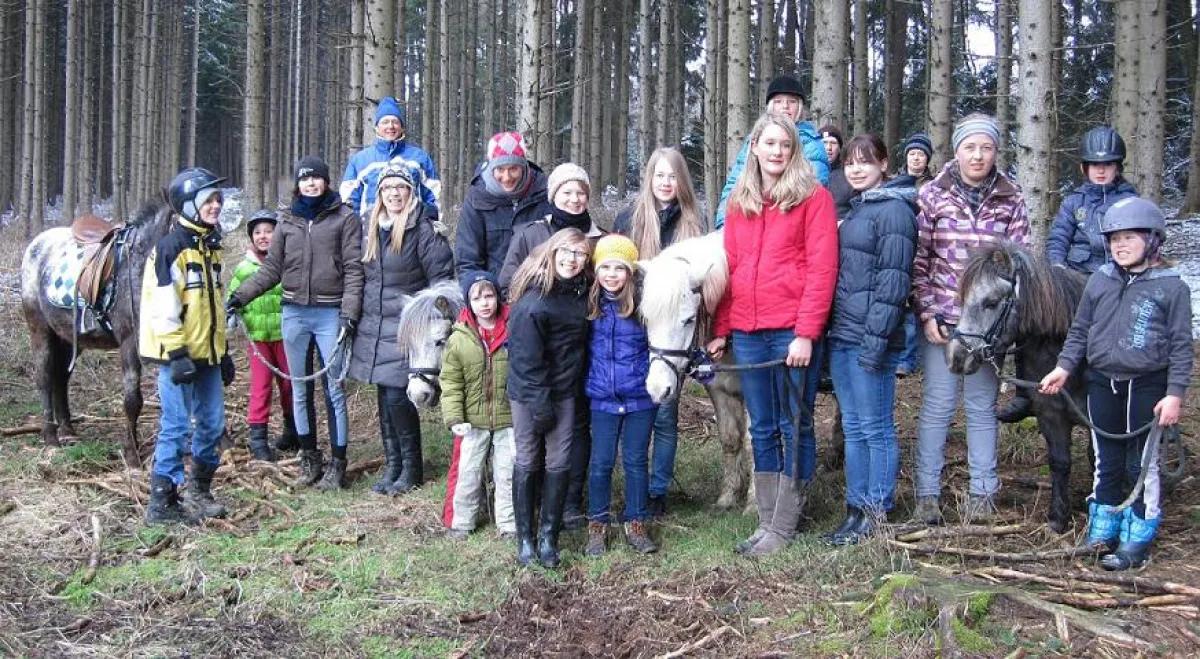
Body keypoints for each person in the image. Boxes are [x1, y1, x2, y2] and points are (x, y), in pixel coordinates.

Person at [707, 113, 838, 556]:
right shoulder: (738, 203)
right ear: (755, 148)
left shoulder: (813, 199)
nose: (778, 151)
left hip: (791, 332)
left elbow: (822, 271)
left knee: (793, 422)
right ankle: (765, 520)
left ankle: (784, 524)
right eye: (770, 143)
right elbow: (731, 269)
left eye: (785, 144)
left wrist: (805, 333)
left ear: (794, 150)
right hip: (747, 331)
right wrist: (722, 328)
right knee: (761, 425)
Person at [1039, 198, 1191, 571]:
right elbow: (1080, 330)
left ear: (1152, 240)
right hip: (1101, 382)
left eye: (1129, 237)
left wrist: (1174, 394)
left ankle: (1138, 532)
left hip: (1147, 386)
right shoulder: (1101, 280)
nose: (1119, 245)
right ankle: (1104, 523)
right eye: (1114, 239)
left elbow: (1181, 346)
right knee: (1105, 459)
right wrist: (1063, 368)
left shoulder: (1172, 288)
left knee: (1141, 464)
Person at [911, 114, 1030, 525]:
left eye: (986, 147)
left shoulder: (1010, 198)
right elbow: (919, 261)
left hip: (988, 328)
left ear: (996, 151)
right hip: (944, 323)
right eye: (970, 147)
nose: (978, 155)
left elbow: (1021, 263)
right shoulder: (932, 196)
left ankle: (983, 495)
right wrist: (926, 313)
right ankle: (926, 495)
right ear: (957, 151)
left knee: (981, 408)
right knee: (938, 406)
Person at [228, 156, 364, 491]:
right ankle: (309, 457)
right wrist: (240, 296)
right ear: (298, 184)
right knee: (300, 388)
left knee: (334, 388)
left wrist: (350, 312)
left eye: (316, 179)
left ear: (326, 181)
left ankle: (337, 463)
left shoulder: (344, 218)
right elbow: (271, 269)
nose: (311, 184)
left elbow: (354, 269)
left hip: (330, 313)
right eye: (305, 180)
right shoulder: (287, 222)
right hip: (294, 314)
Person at [1002, 127, 1139, 425]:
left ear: (1118, 167)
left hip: (1116, 280)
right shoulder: (1073, 202)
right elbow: (1058, 240)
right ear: (1084, 168)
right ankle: (1025, 393)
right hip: (1075, 277)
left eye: (1107, 165)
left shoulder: (1131, 201)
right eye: (1095, 165)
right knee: (1031, 320)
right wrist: (1057, 273)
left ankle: (1147, 403)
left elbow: (1138, 243)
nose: (1101, 171)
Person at [499, 162, 605, 530]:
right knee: (534, 437)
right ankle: (535, 508)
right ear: (553, 196)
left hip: (583, 352)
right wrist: (537, 309)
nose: (575, 199)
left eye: (581, 193)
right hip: (538, 347)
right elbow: (507, 283)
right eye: (566, 192)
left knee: (576, 429)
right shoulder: (532, 234)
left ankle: (571, 502)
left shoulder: (599, 238)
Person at [824, 135, 917, 545]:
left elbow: (893, 283)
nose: (856, 169)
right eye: (850, 163)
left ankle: (877, 512)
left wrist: (875, 343)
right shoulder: (859, 209)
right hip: (843, 336)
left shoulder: (894, 211)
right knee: (856, 429)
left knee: (876, 428)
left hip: (870, 339)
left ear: (884, 164)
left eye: (865, 162)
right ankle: (854, 509)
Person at [612, 147, 707, 518]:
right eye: (659, 176)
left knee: (665, 414)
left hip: (670, 338)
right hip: (634, 330)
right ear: (649, 179)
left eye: (672, 176)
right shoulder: (629, 220)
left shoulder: (692, 225)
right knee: (633, 412)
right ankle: (632, 484)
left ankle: (657, 490)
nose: (665, 184)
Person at [348, 163, 453, 495]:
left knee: (397, 395)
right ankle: (393, 465)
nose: (394, 194)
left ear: (411, 192)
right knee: (384, 396)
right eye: (388, 188)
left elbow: (442, 283)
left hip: (407, 329)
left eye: (401, 188)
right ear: (380, 193)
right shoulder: (369, 227)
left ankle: (411, 468)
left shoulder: (423, 231)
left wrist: (430, 321)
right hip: (373, 326)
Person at [140, 167, 235, 524]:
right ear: (188, 204)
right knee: (176, 427)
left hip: (207, 355)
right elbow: (162, 306)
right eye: (208, 200)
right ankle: (162, 503)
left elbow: (213, 309)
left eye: (217, 200)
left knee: (211, 425)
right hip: (177, 357)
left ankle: (199, 491)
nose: (216, 206)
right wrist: (177, 354)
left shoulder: (210, 248)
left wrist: (222, 352)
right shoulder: (170, 249)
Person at [507, 228, 593, 568]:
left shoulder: (582, 293)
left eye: (579, 254)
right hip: (531, 393)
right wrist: (539, 404)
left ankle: (548, 536)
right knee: (528, 459)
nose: (572, 261)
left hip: (566, 391)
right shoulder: (533, 301)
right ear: (552, 253)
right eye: (566, 253)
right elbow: (525, 360)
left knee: (559, 462)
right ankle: (525, 538)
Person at [584, 235, 659, 556]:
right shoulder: (590, 306)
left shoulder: (644, 307)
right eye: (605, 268)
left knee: (635, 461)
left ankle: (636, 521)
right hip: (601, 398)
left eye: (619, 268)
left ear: (630, 272)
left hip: (639, 398)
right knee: (600, 463)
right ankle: (598, 524)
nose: (612, 274)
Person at [441, 270, 516, 539]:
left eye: (489, 295)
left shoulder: (513, 330)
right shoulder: (459, 338)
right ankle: (462, 522)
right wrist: (454, 417)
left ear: (497, 297)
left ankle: (508, 523)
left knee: (507, 473)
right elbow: (450, 382)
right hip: (471, 422)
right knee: (467, 473)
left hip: (508, 419)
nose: (484, 302)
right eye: (477, 298)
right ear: (468, 303)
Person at [714, 74, 831, 228]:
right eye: (778, 101)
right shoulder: (754, 140)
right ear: (770, 107)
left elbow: (811, 186)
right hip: (750, 220)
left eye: (792, 102)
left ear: (800, 107)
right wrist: (724, 224)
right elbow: (735, 183)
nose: (785, 106)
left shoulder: (812, 144)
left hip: (790, 223)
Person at [227, 209, 297, 463]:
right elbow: (235, 295)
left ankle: (293, 430)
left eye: (269, 231)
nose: (263, 237)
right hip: (259, 339)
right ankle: (258, 438)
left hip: (286, 336)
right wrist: (232, 311)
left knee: (290, 385)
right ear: (251, 238)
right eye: (258, 232)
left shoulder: (287, 263)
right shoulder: (245, 268)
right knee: (261, 386)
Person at [455, 132, 554, 277]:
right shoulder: (477, 197)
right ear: (491, 167)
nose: (507, 177)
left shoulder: (544, 193)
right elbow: (467, 260)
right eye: (500, 169)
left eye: (513, 169)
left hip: (536, 285)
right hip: (492, 289)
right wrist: (479, 285)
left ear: (524, 166)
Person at [340, 96, 441, 218]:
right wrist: (355, 230)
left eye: (395, 122)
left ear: (402, 127)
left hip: (412, 230)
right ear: (376, 128)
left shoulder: (420, 158)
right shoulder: (360, 160)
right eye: (385, 122)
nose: (391, 126)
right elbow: (349, 201)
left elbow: (433, 197)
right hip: (371, 230)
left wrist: (430, 222)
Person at [895, 131, 936, 377]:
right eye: (912, 154)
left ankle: (915, 359)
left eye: (921, 154)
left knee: (919, 304)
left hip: (924, 246)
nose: (916, 159)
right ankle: (905, 358)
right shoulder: (896, 182)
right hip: (901, 245)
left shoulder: (934, 185)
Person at [819, 124, 855, 220]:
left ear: (840, 148)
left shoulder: (849, 173)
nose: (828, 147)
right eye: (824, 142)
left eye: (833, 143)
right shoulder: (807, 172)